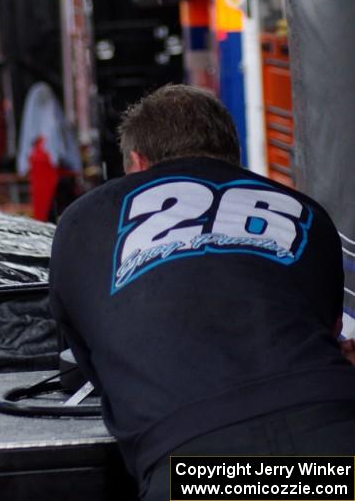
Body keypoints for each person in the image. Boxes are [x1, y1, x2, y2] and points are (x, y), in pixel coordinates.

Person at [49, 84, 355, 501]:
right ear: (234, 158)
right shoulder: (307, 212)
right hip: (334, 437)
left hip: (198, 465)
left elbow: (90, 363)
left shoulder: (82, 220)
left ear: (137, 163)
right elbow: (332, 334)